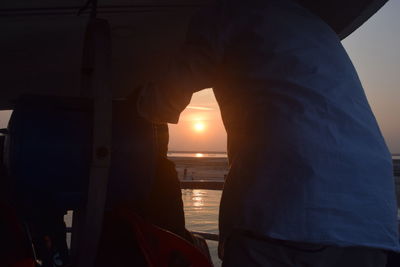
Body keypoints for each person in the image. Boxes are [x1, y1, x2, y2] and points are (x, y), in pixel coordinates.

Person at [137, 0, 399, 266]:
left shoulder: (224, 13)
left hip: (289, 208)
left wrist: (133, 102)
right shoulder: (311, 23)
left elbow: (162, 103)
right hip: (373, 217)